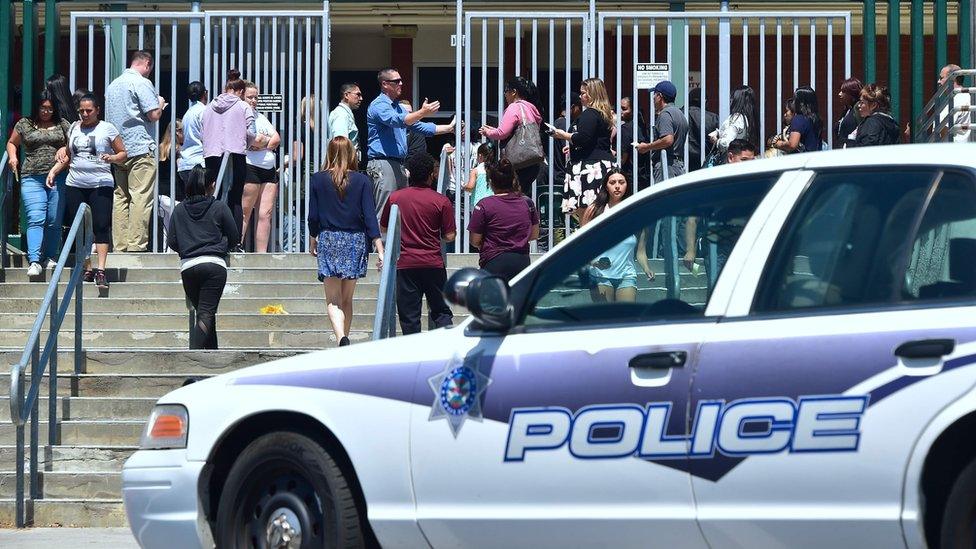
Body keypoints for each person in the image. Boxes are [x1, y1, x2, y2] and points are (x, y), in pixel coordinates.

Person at [308, 136, 384, 347]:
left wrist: (313, 239)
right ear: (351, 153)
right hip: (355, 241)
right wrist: (379, 248)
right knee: (347, 298)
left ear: (329, 153)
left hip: (330, 239)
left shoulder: (318, 179)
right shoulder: (362, 180)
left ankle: (341, 337)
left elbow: (313, 216)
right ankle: (345, 339)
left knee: (332, 299)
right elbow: (370, 216)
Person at [48, 93, 127, 290]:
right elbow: (68, 155)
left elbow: (123, 153)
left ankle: (101, 269)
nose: (85, 114)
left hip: (100, 183)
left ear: (97, 110)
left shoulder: (107, 128)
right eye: (81, 111)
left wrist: (113, 158)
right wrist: (54, 170)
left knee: (100, 225)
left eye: (89, 111)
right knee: (80, 227)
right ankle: (87, 267)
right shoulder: (74, 127)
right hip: (76, 182)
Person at [380, 152, 456, 335]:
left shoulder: (395, 198)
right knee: (441, 311)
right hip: (433, 264)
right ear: (431, 174)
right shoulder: (441, 201)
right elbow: (450, 236)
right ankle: (444, 350)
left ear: (409, 174)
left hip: (406, 265)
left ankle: (413, 358)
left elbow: (384, 229)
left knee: (409, 317)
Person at [366, 68, 455, 222]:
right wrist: (422, 112)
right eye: (396, 81)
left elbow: (421, 127)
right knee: (385, 213)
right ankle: (381, 247)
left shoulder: (398, 107)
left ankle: (395, 247)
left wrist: (449, 128)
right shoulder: (378, 105)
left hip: (398, 165)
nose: (401, 83)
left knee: (400, 213)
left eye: (401, 80)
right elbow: (397, 121)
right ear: (385, 84)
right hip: (383, 163)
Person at [166, 165, 239, 350]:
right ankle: (193, 358)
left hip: (188, 267)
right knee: (206, 313)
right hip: (214, 265)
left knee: (204, 313)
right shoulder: (219, 207)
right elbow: (234, 237)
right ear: (211, 185)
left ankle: (211, 356)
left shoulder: (179, 210)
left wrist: (187, 246)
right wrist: (221, 245)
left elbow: (172, 241)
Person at [105, 50, 166, 253]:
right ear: (147, 63)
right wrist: (160, 103)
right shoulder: (142, 83)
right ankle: (136, 246)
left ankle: (120, 245)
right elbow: (153, 114)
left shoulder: (113, 85)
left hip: (118, 150)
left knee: (120, 197)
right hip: (140, 147)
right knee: (140, 196)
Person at [6, 90, 72, 276]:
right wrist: (13, 157)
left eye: (50, 109)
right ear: (37, 107)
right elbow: (12, 143)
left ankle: (50, 257)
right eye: (43, 108)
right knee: (35, 218)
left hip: (58, 176)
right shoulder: (24, 124)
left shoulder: (62, 124)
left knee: (53, 220)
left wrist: (63, 147)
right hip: (31, 176)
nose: (46, 112)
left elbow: (74, 145)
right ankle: (34, 260)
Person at [682, 138, 757, 274]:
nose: (749, 165)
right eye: (744, 160)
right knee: (718, 290)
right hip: (717, 248)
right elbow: (692, 219)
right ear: (730, 157)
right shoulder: (714, 183)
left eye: (752, 161)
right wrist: (690, 250)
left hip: (745, 247)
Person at [580, 169, 654, 303]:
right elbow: (582, 247)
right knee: (604, 319)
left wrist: (647, 269)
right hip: (600, 275)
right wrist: (594, 263)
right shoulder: (594, 211)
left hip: (627, 275)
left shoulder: (636, 214)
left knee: (626, 318)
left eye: (621, 182)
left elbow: (641, 252)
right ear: (606, 186)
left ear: (627, 185)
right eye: (612, 182)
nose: (617, 186)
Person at [203, 69, 260, 239]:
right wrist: (247, 144)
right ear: (241, 92)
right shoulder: (243, 106)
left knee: (214, 193)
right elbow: (252, 132)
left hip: (212, 155)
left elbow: (202, 131)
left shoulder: (208, 107)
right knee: (235, 197)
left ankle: (213, 234)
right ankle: (232, 239)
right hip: (235, 154)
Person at [551, 78, 615, 215]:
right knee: (600, 209)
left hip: (590, 167)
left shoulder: (590, 113)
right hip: (601, 164)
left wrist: (563, 135)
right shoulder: (603, 114)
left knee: (587, 210)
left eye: (583, 93)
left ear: (592, 94)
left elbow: (583, 138)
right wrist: (573, 146)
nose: (580, 96)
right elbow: (596, 140)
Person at [468, 159, 540, 281]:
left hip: (493, 261)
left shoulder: (484, 205)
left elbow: (475, 240)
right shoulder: (527, 202)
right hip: (521, 261)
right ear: (513, 180)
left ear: (491, 182)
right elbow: (534, 234)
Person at [479, 76, 545, 188]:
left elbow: (502, 133)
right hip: (533, 162)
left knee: (512, 196)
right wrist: (494, 130)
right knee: (522, 194)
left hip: (519, 163)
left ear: (514, 92)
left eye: (506, 91)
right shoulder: (531, 108)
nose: (505, 95)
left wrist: (487, 132)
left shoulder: (514, 107)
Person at [242, 81, 281, 253]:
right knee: (245, 211)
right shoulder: (241, 116)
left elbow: (277, 139)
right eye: (250, 97)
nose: (253, 101)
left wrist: (261, 143)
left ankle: (262, 253)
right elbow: (250, 140)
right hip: (250, 166)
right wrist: (264, 141)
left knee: (266, 213)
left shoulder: (261, 117)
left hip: (268, 169)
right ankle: (238, 247)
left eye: (256, 97)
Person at [635, 80, 689, 182]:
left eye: (654, 95)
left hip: (666, 165)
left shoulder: (665, 114)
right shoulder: (679, 113)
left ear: (660, 96)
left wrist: (647, 147)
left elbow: (668, 140)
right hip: (677, 165)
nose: (653, 98)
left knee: (665, 197)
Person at [707, 85, 759, 166]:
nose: (731, 100)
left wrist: (716, 141)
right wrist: (719, 132)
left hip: (731, 162)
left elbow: (725, 143)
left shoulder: (736, 118)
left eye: (732, 98)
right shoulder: (749, 119)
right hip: (744, 160)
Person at [771, 86, 822, 154]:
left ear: (801, 103)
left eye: (795, 99)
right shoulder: (816, 119)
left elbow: (792, 145)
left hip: (801, 160)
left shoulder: (799, 119)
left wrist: (777, 143)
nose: (793, 102)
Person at [178, 81, 208, 184]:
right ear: (205, 93)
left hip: (185, 163)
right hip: (200, 163)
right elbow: (207, 136)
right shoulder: (204, 111)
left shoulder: (187, 113)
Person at [619, 96, 650, 190]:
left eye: (624, 109)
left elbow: (623, 159)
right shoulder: (643, 127)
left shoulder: (625, 128)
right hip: (644, 175)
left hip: (630, 175)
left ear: (632, 111)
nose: (620, 111)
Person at [552, 93, 582, 187]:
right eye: (580, 107)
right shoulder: (564, 124)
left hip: (557, 175)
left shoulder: (558, 122)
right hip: (563, 177)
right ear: (573, 107)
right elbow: (567, 154)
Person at [687, 88, 718, 171]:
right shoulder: (713, 118)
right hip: (705, 160)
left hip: (684, 159)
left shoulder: (680, 114)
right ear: (704, 101)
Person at [939, 64, 972, 142]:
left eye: (941, 78)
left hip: (951, 150)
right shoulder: (960, 96)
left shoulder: (959, 98)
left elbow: (943, 127)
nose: (938, 81)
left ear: (953, 79)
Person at [328, 82, 363, 155]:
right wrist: (344, 165)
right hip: (344, 163)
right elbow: (340, 144)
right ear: (346, 95)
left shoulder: (345, 114)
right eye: (358, 95)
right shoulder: (341, 114)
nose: (361, 98)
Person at [157, 120, 183, 200]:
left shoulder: (160, 147)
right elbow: (180, 169)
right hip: (175, 191)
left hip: (160, 190)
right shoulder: (178, 149)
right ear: (177, 133)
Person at [464, 142, 495, 208]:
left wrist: (464, 186)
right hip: (493, 203)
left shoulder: (476, 170)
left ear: (480, 156)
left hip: (479, 204)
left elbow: (470, 187)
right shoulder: (496, 169)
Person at [835, 77, 863, 148]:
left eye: (843, 92)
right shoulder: (847, 110)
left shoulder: (858, 110)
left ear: (852, 94)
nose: (839, 94)